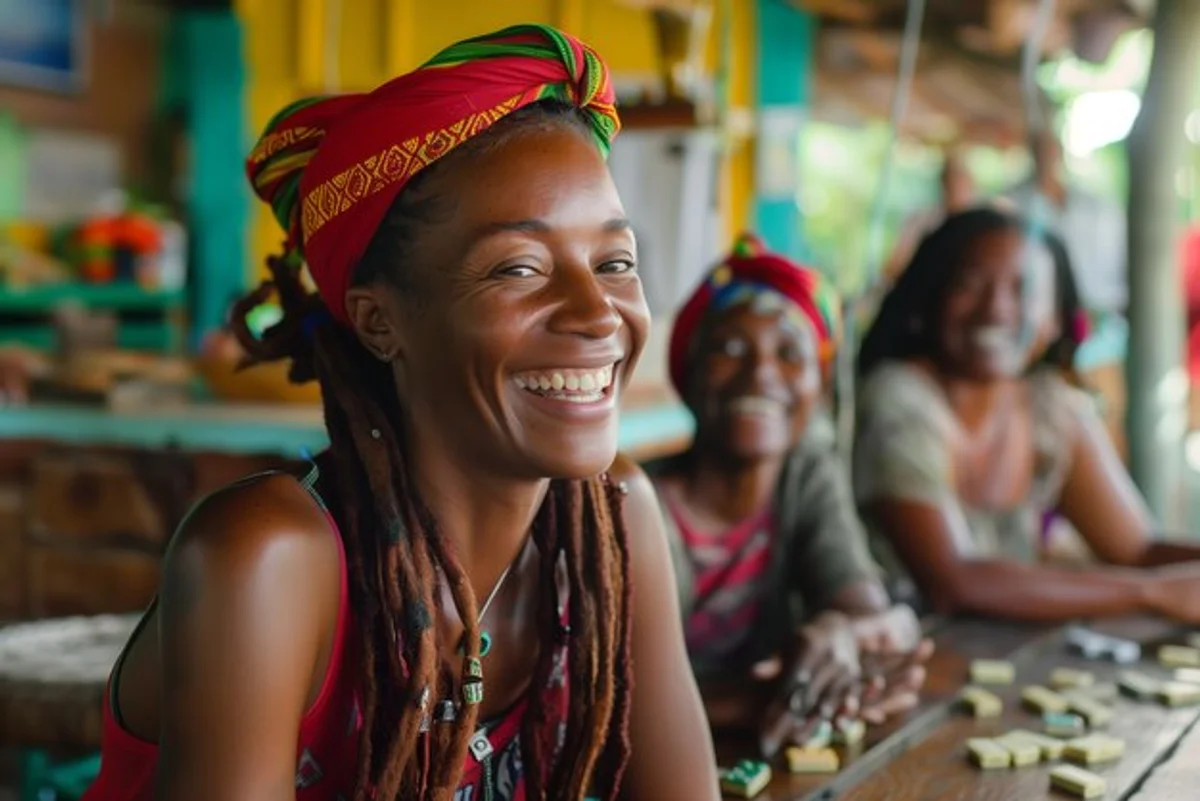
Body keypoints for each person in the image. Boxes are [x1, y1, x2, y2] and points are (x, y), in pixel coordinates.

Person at [82, 25, 719, 801]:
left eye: (615, 262)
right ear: (380, 320)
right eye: (519, 268)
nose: (597, 314)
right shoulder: (267, 559)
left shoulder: (615, 521)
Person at [646, 233, 931, 757]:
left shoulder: (804, 476)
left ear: (819, 388)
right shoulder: (635, 506)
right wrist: (749, 703)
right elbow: (598, 706)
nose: (761, 374)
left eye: (789, 354)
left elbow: (867, 615)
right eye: (731, 348)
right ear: (688, 372)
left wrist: (838, 633)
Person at [854, 206, 1200, 623]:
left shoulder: (1049, 407)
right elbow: (954, 581)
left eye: (1024, 290)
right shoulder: (897, 398)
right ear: (930, 296)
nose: (997, 309)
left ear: (1055, 319)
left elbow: (1137, 550)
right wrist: (1153, 593)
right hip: (898, 664)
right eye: (970, 284)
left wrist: (1167, 581)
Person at [1001, 128, 1127, 315]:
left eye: (1050, 149)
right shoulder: (1013, 203)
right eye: (1040, 150)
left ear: (1059, 152)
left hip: (1095, 307)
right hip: (1039, 309)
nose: (1046, 157)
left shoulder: (1094, 205)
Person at [884, 147, 975, 283]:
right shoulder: (923, 220)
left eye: (960, 183)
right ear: (943, 184)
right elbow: (894, 266)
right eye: (950, 182)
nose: (956, 190)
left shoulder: (979, 225)